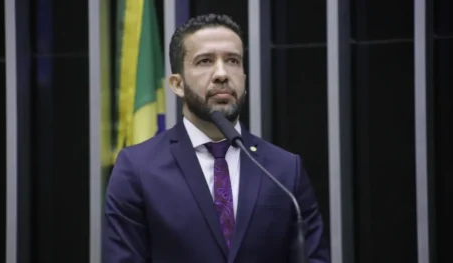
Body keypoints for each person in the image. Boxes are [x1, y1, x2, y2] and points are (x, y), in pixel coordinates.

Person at [103, 13, 330, 263]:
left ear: (244, 77)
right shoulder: (137, 168)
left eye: (233, 60)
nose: (221, 74)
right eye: (205, 61)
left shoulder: (285, 170)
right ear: (177, 84)